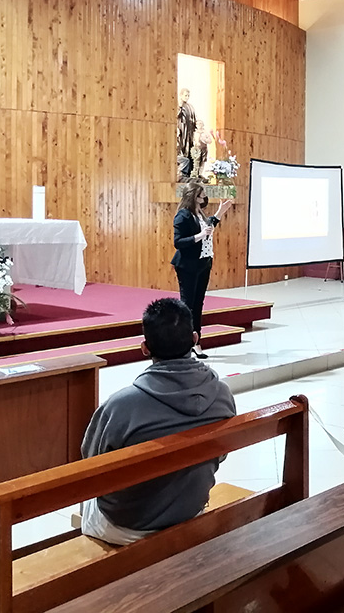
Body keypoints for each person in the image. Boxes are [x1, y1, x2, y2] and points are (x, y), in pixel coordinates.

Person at [81, 298, 237, 545]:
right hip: (190, 509)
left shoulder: (121, 405)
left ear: (144, 348)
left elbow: (90, 465)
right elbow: (221, 454)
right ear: (195, 339)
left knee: (88, 498)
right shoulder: (222, 393)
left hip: (128, 527)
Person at [173, 183, 232, 346]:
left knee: (198, 302)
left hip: (204, 262)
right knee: (188, 304)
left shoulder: (199, 213)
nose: (204, 197)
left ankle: (196, 340)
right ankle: (184, 341)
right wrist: (199, 236)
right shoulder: (183, 215)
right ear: (193, 196)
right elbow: (178, 242)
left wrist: (220, 212)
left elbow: (208, 226)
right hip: (188, 264)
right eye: (201, 195)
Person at [177, 88, 197, 179]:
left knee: (190, 150)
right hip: (181, 131)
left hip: (189, 131)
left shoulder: (190, 106)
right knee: (182, 148)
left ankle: (188, 173)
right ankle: (181, 172)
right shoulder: (178, 105)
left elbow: (193, 119)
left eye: (188, 95)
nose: (187, 97)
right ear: (181, 95)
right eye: (185, 95)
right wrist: (180, 108)